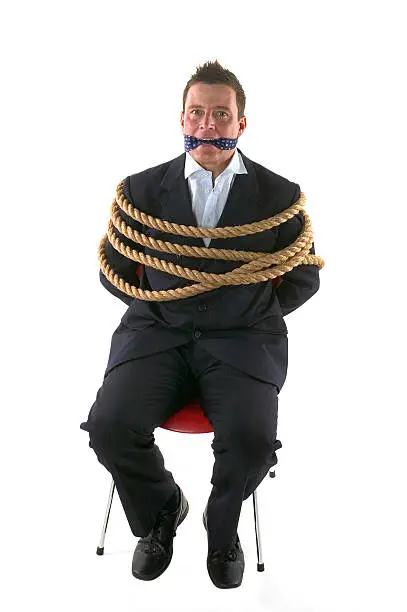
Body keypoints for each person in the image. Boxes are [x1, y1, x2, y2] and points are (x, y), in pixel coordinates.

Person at [79, 59, 321, 589]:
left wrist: (247, 313)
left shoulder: (281, 199)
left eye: (221, 114)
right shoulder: (140, 192)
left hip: (242, 345)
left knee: (253, 439)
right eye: (197, 113)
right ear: (182, 120)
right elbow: (115, 273)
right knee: (108, 427)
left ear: (241, 124)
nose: (207, 124)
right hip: (158, 338)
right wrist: (166, 303)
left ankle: (222, 525)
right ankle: (161, 511)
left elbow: (303, 278)